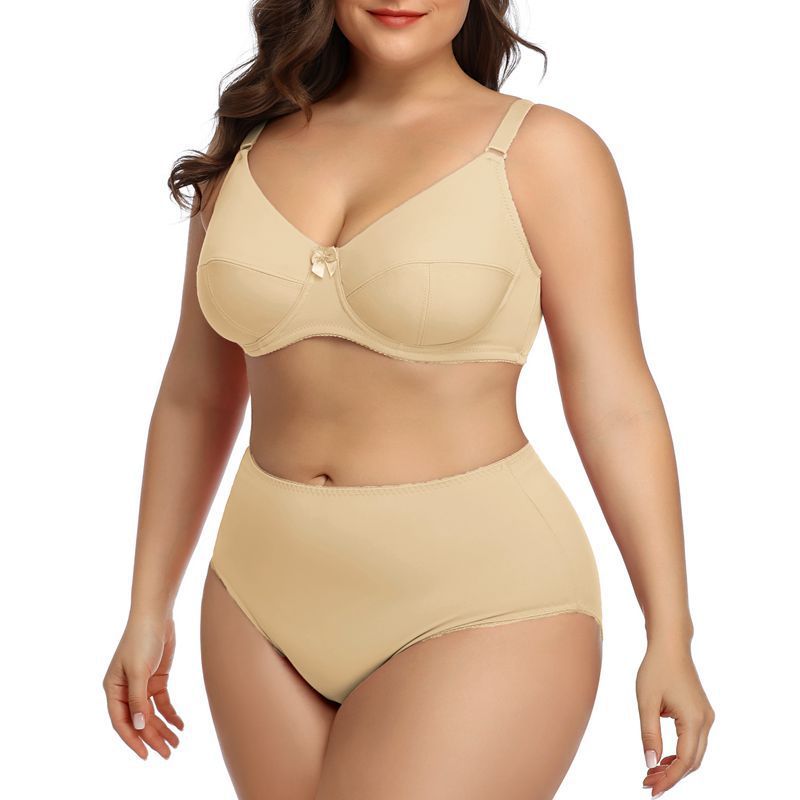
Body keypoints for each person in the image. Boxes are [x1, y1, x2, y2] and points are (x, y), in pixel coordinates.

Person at [102, 2, 715, 798]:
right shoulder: (246, 145)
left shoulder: (544, 151)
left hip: (485, 601)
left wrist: (669, 629)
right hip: (256, 602)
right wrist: (146, 605)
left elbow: (616, 401)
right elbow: (194, 392)